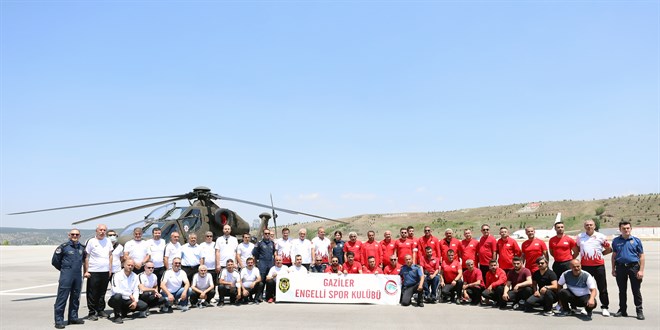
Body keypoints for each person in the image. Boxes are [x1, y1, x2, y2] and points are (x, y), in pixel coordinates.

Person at [574, 219, 612, 317]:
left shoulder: (601, 236)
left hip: (598, 266)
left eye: (591, 225)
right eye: (587, 225)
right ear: (584, 226)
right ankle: (585, 306)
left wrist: (601, 255)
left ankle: (605, 307)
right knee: (585, 287)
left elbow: (609, 249)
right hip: (585, 266)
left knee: (602, 287)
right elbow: (577, 248)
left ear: (594, 226)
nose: (589, 226)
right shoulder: (580, 237)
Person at [611, 220, 645, 320]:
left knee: (636, 290)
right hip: (620, 267)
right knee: (622, 290)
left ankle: (639, 310)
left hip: (634, 267)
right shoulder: (616, 241)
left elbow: (641, 256)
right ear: (620, 229)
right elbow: (614, 256)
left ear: (630, 229)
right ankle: (622, 310)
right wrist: (613, 269)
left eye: (628, 228)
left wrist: (641, 270)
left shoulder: (636, 241)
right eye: (623, 228)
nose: (626, 230)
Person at [52, 228, 86, 329]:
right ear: (69, 235)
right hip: (66, 275)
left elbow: (84, 260)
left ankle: (73, 317)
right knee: (62, 298)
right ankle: (59, 320)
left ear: (79, 236)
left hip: (77, 275)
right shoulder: (63, 247)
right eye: (72, 234)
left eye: (76, 234)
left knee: (76, 297)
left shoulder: (82, 248)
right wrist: (64, 269)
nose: (74, 236)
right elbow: (55, 261)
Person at [83, 224, 113, 321]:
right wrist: (86, 271)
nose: (102, 232)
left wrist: (110, 269)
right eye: (100, 230)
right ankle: (92, 312)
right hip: (93, 271)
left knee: (102, 292)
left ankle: (100, 310)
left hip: (105, 271)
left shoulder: (108, 241)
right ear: (96, 231)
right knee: (92, 293)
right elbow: (86, 257)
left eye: (104, 230)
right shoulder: (91, 241)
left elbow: (110, 255)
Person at [108, 259, 148, 324]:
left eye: (132, 266)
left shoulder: (135, 276)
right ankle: (117, 316)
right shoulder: (116, 275)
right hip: (116, 299)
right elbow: (115, 289)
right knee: (118, 296)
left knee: (144, 306)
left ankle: (124, 311)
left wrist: (135, 301)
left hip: (128, 300)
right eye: (128, 265)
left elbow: (136, 290)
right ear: (124, 265)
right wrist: (128, 294)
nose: (130, 267)